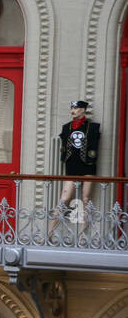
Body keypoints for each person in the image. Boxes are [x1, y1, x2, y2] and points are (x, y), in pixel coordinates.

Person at [48, 100, 100, 239]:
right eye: (72, 107)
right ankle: (50, 232)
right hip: (71, 166)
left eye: (76, 108)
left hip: (88, 166)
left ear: (83, 110)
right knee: (64, 198)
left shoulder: (93, 127)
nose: (73, 110)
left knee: (86, 198)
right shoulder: (67, 127)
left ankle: (82, 234)